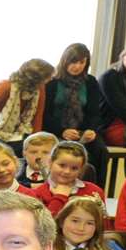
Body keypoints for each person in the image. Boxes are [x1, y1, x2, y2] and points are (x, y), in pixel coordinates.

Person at [42, 43, 109, 180]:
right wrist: (62, 131)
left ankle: (95, 191)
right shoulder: (52, 82)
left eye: (81, 62)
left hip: (82, 132)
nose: (77, 66)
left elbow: (94, 112)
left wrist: (90, 130)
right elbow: (45, 114)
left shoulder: (91, 82)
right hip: (56, 130)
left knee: (100, 151)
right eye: (73, 61)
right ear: (65, 61)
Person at [0, 58, 54, 152]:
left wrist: (36, 140)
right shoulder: (4, 87)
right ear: (37, 79)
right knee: (12, 150)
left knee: (31, 147)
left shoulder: (39, 89)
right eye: (48, 77)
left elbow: (37, 116)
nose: (50, 79)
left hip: (19, 132)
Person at [24, 140, 103, 217]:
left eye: (74, 168)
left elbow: (104, 225)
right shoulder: (37, 194)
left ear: (81, 169)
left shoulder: (94, 192)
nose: (67, 171)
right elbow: (45, 227)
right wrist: (60, 197)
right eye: (62, 165)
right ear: (50, 163)